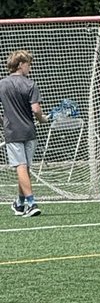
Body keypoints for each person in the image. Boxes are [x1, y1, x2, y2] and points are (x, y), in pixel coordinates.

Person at [0, 50, 49, 218]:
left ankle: (30, 203)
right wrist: (42, 119)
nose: (30, 67)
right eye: (28, 64)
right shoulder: (30, 84)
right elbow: (36, 109)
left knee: (21, 167)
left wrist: (3, 122)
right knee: (24, 167)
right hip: (29, 131)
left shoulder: (2, 84)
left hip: (13, 131)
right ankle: (21, 203)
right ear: (20, 64)